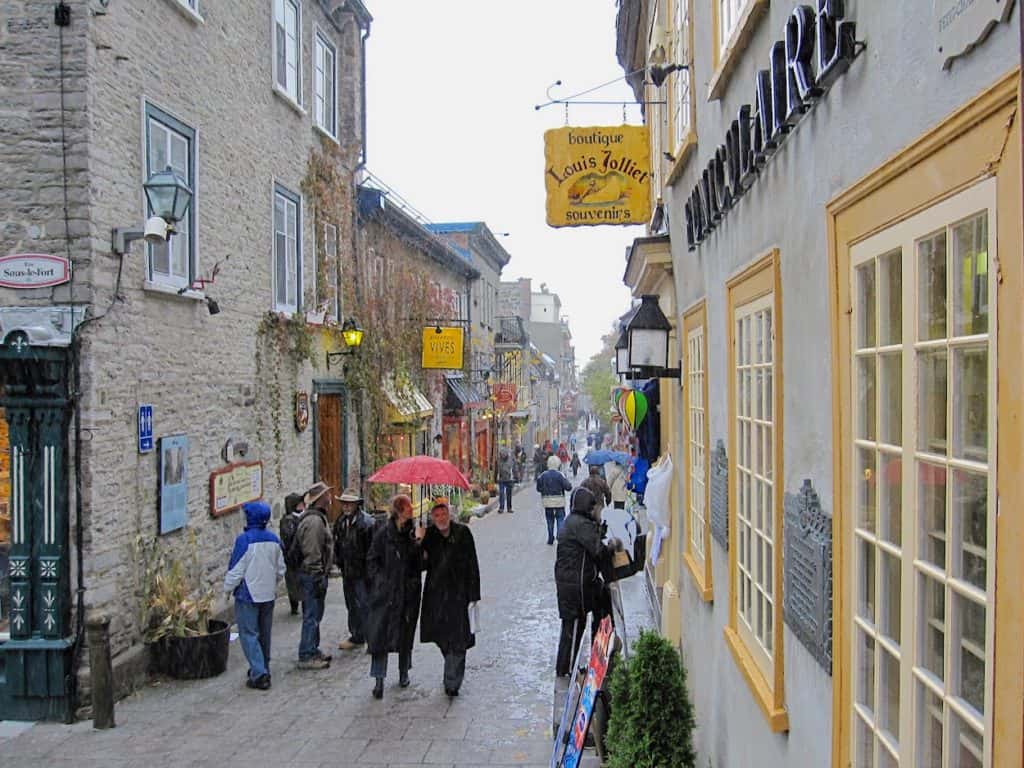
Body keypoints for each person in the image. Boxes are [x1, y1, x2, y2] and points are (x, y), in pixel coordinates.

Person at [553, 487, 620, 677]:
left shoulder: (573, 521)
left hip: (571, 582)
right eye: (593, 508)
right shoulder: (581, 525)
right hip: (576, 585)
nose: (595, 511)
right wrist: (612, 546)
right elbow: (598, 550)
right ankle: (569, 670)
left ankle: (567, 666)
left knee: (572, 624)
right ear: (586, 507)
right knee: (574, 625)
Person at [420, 498, 481, 697]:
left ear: (449, 514)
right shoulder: (429, 536)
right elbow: (418, 565)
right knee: (441, 638)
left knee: (458, 639)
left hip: (458, 595)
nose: (441, 519)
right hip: (436, 596)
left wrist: (473, 595)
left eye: (443, 514)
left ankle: (452, 681)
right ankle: (451, 665)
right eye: (436, 516)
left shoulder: (463, 533)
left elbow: (473, 564)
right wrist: (418, 543)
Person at [365, 494, 424, 699]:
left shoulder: (411, 534)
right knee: (379, 636)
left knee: (405, 635)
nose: (412, 510)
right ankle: (378, 679)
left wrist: (418, 544)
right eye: (408, 507)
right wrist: (380, 582)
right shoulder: (383, 533)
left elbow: (420, 565)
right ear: (400, 510)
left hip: (407, 593)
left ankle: (403, 672)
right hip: (386, 594)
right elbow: (372, 560)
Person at [223, 499, 285, 690]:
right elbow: (281, 569)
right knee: (264, 634)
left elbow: (237, 569)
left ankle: (259, 673)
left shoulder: (245, 540)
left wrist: (227, 588)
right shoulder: (274, 539)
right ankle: (263, 666)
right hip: (268, 593)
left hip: (247, 594)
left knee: (249, 634)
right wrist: (272, 583)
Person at [295, 481, 334, 669]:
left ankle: (312, 648)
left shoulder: (318, 518)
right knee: (311, 614)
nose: (330, 497)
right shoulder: (314, 522)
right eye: (327, 494)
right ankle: (306, 654)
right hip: (312, 575)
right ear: (321, 499)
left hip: (314, 574)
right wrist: (318, 574)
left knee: (316, 613)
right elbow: (312, 551)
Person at [332, 487, 376, 651]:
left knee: (365, 605)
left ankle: (372, 640)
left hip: (362, 572)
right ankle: (357, 636)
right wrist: (338, 561)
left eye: (349, 504)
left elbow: (372, 550)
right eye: (344, 503)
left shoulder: (367, 523)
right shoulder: (341, 521)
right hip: (348, 571)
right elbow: (338, 544)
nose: (346, 507)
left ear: (356, 504)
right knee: (351, 604)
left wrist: (371, 573)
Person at [536, 454, 572, 545]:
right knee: (560, 519)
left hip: (547, 501)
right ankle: (560, 537)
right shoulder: (560, 475)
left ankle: (550, 538)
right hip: (559, 501)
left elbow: (538, 488)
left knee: (549, 519)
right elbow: (568, 487)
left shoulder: (543, 475)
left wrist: (544, 490)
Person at [279, 492, 305, 615]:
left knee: (303, 582)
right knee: (293, 582)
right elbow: (288, 539)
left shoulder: (302, 517)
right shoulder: (288, 521)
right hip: (292, 557)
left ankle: (304, 604)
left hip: (302, 557)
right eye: (300, 503)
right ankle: (294, 606)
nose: (303, 505)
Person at [496, 447, 516, 514]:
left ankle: (509, 508)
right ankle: (501, 508)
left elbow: (514, 469)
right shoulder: (499, 460)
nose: (502, 456)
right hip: (501, 479)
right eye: (501, 455)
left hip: (509, 479)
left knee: (509, 494)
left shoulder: (510, 459)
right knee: (501, 493)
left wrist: (515, 477)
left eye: (503, 455)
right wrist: (496, 477)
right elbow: (497, 469)